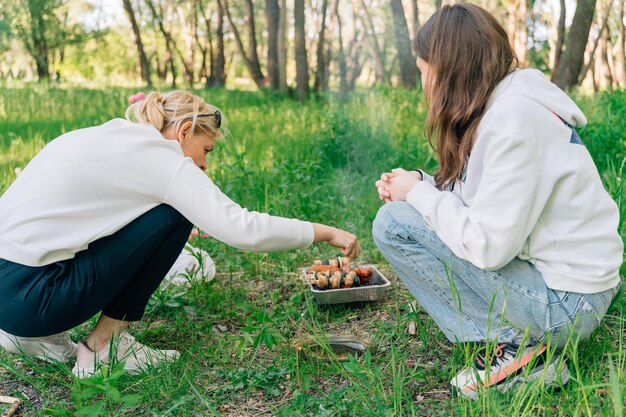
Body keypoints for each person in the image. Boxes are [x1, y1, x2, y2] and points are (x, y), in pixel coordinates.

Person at [0, 91, 360, 377]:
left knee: (166, 217)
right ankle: (104, 350)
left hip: (9, 293)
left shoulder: (105, 136)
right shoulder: (162, 158)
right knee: (174, 213)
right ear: (185, 131)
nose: (203, 165)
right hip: (36, 299)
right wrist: (323, 231)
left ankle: (30, 335)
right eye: (206, 150)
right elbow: (243, 229)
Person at [373, 3, 622, 400]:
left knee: (394, 224)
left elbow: (488, 246)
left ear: (449, 69)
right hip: (567, 283)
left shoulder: (513, 123)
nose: (423, 86)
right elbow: (482, 202)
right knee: (402, 214)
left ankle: (526, 351)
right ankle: (527, 348)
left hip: (569, 304)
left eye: (424, 73)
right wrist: (422, 184)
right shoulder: (504, 106)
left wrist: (418, 196)